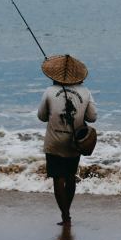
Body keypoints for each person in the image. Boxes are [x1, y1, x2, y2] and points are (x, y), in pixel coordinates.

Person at [37, 54, 97, 226]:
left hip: (54, 143)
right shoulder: (85, 92)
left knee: (58, 179)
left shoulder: (49, 92)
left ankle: (65, 215)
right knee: (70, 177)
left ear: (54, 75)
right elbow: (92, 117)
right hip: (73, 143)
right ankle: (67, 211)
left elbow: (41, 117)